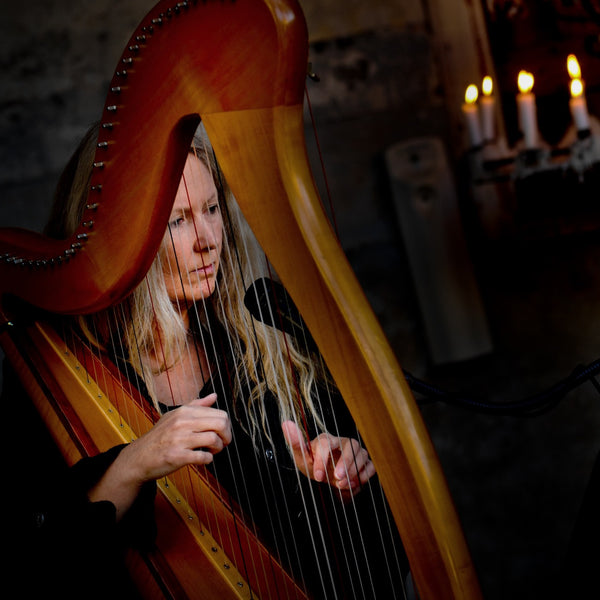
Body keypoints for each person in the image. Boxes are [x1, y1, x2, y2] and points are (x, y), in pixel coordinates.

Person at [8, 122, 407, 598]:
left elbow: (383, 550)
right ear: (121, 242)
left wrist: (343, 480)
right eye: (177, 221)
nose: (207, 239)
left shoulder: (266, 341)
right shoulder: (50, 379)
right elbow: (33, 558)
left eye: (212, 209)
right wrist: (134, 463)